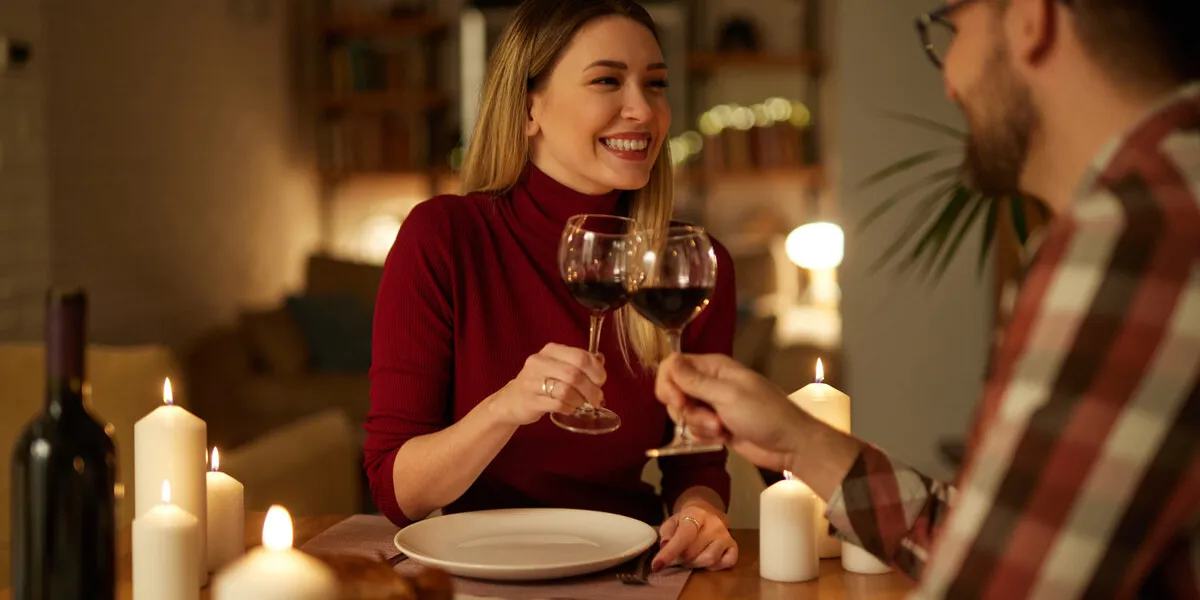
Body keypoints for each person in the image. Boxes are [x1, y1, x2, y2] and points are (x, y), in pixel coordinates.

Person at [655, 0, 1200, 597]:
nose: (947, 81)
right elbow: (996, 543)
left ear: (1029, 18)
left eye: (952, 31)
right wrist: (799, 440)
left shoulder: (1132, 233)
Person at [363, 0, 740, 572]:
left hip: (633, 569)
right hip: (474, 569)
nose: (643, 108)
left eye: (656, 84)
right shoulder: (443, 238)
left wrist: (699, 516)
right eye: (607, 80)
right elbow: (398, 493)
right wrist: (507, 407)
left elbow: (696, 466)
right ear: (528, 107)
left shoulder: (691, 263)